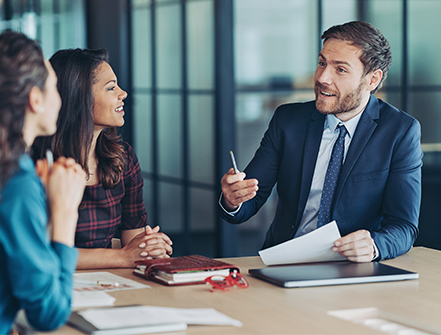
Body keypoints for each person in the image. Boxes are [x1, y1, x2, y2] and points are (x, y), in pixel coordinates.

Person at [220, 21, 422, 262]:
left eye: (340, 69)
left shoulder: (400, 131)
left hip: (353, 268)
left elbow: (403, 226)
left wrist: (374, 245)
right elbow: (249, 201)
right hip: (285, 261)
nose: (323, 78)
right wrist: (233, 201)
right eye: (322, 63)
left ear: (372, 80)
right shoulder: (288, 120)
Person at [32, 48, 173, 270]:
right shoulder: (36, 163)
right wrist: (123, 257)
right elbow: (38, 251)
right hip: (54, 283)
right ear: (79, 97)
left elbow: (133, 238)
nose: (123, 93)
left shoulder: (123, 157)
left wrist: (148, 246)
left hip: (111, 283)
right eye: (111, 87)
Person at [0, 31, 86, 332]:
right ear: (36, 100)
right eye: (55, 88)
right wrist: (64, 211)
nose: (60, 99)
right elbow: (48, 313)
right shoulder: (15, 180)